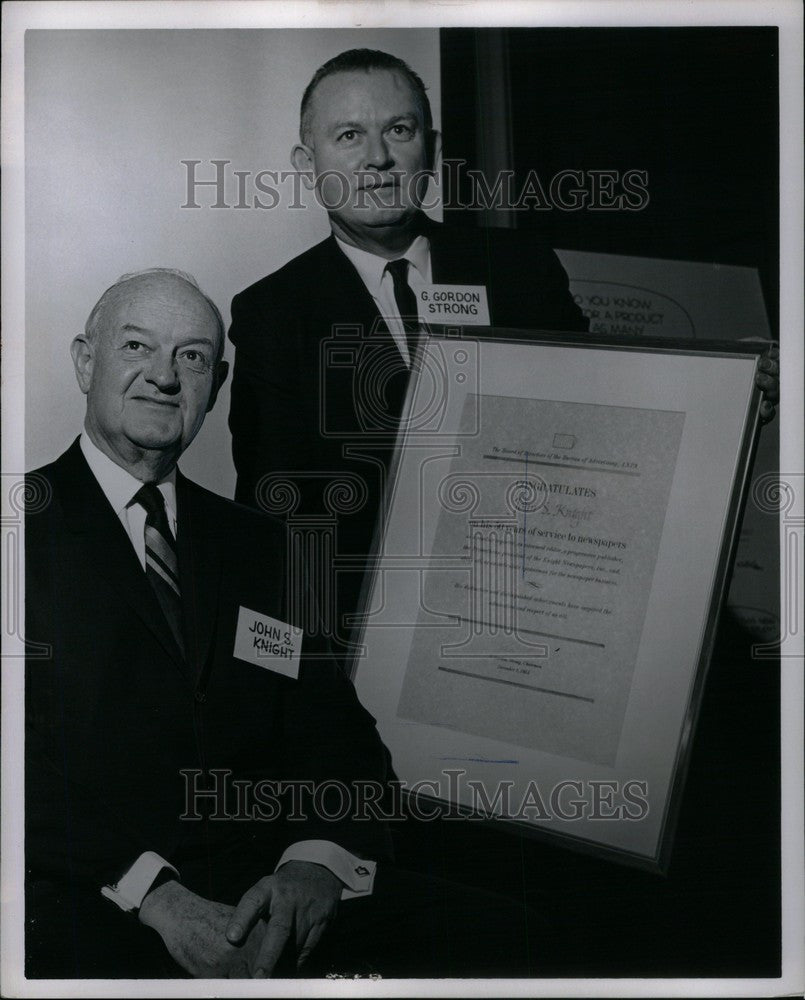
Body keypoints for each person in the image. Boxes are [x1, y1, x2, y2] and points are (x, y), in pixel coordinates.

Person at [24, 268, 533, 979]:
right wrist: (156, 897)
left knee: (510, 935)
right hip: (100, 900)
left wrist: (316, 862)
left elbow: (337, 734)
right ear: (86, 361)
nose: (164, 377)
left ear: (218, 382)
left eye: (193, 357)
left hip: (271, 893)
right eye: (137, 347)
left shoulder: (263, 546)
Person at [227, 48, 591, 658]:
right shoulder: (272, 314)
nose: (377, 158)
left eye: (399, 129)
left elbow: (606, 424)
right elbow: (279, 519)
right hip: (371, 645)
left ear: (432, 147)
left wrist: (734, 391)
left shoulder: (523, 271)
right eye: (349, 136)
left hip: (544, 618)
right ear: (305, 163)